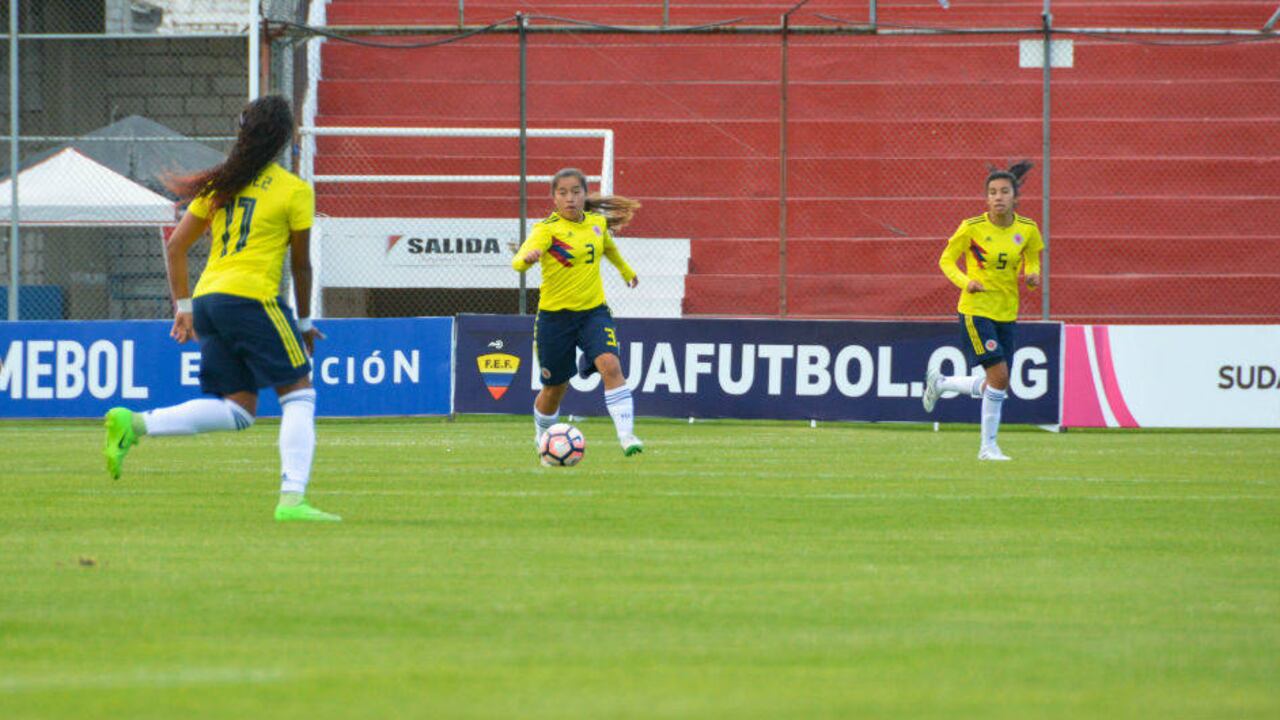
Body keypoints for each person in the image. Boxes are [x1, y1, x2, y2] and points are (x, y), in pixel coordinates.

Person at [101, 95, 338, 522]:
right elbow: (301, 265)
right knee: (300, 394)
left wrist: (185, 308)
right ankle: (292, 500)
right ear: (284, 138)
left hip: (210, 301)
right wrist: (304, 323)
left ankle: (133, 424)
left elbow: (175, 245)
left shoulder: (220, 185)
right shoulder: (293, 190)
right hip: (251, 299)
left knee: (239, 409)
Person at [512, 168, 644, 457]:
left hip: (593, 313)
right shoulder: (545, 229)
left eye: (575, 192)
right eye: (563, 193)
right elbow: (518, 263)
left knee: (610, 365)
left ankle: (627, 436)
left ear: (585, 194)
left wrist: (627, 272)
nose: (570, 198)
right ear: (554, 198)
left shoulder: (596, 223)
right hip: (554, 319)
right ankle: (542, 437)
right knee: (554, 388)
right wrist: (527, 258)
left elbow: (609, 248)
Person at [922, 161, 1043, 461]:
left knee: (996, 382)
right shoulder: (972, 228)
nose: (998, 197)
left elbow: (1032, 258)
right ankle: (987, 448)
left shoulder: (1027, 230)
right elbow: (946, 260)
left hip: (1007, 312)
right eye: (992, 192)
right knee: (1000, 377)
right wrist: (967, 281)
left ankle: (942, 383)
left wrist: (1032, 275)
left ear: (1015, 197)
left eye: (1004, 191)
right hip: (975, 310)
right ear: (986, 198)